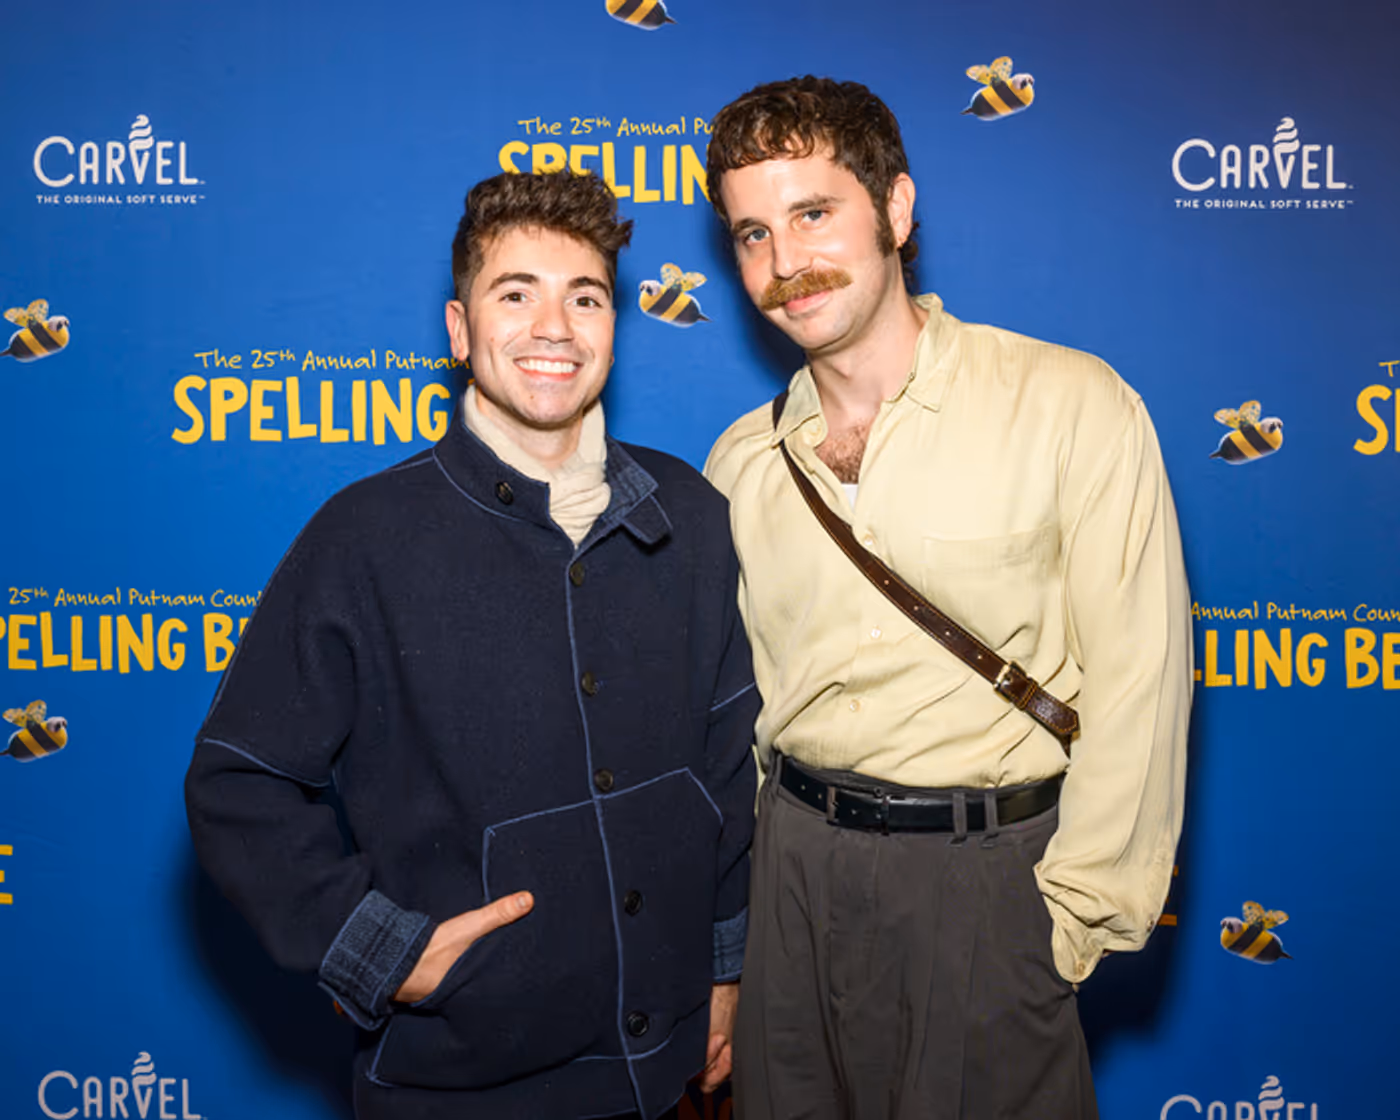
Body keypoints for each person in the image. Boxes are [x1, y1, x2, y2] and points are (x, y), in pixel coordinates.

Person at [185, 169, 758, 1120]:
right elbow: (239, 782)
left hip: (667, 1077)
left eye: (585, 298)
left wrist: (727, 972)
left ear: (615, 326)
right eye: (516, 295)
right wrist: (376, 951)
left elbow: (728, 773)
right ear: (459, 330)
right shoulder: (364, 539)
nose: (554, 328)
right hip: (457, 1085)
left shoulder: (691, 515)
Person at [702, 77, 1191, 1120]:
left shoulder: (1069, 407)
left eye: (813, 212)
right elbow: (734, 719)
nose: (785, 262)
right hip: (789, 876)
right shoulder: (739, 465)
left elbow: (1139, 682)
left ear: (895, 207)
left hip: (984, 884)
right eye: (752, 233)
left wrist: (1064, 926)